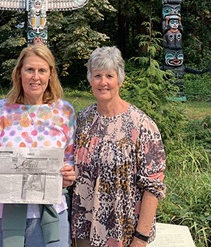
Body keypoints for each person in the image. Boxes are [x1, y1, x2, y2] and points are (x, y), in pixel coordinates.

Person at [0, 44, 76, 247]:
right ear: (19, 73)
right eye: (30, 69)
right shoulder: (0, 110)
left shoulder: (64, 111)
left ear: (51, 74)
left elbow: (69, 159)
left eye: (42, 70)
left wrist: (69, 173)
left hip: (50, 213)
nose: (35, 77)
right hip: (2, 213)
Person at [71, 46, 166, 247]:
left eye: (109, 76)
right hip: (84, 229)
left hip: (123, 232)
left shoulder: (141, 125)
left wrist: (141, 238)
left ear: (119, 79)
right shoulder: (82, 120)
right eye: (97, 75)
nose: (103, 82)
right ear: (90, 79)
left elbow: (153, 186)